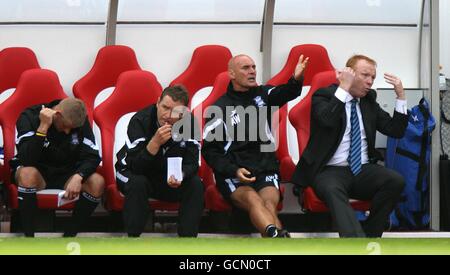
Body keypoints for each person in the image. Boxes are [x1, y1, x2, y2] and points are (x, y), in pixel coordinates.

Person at [291, 55, 409, 238]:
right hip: (328, 169)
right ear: (350, 74)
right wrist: (344, 87)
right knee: (332, 189)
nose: (370, 82)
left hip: (362, 169)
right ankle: (354, 242)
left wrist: (401, 96)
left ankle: (371, 234)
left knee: (395, 181)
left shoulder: (369, 101)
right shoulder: (324, 95)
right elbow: (326, 121)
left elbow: (395, 130)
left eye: (373, 77)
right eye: (365, 75)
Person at [202, 54, 309, 237]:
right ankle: (279, 238)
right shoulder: (219, 109)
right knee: (253, 199)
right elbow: (210, 151)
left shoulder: (263, 94)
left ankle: (275, 239)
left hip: (265, 168)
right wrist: (233, 170)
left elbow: (287, 92)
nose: (252, 71)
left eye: (253, 67)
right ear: (232, 74)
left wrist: (296, 78)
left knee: (268, 203)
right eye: (245, 68)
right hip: (235, 172)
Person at [115, 85, 204, 237]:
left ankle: (188, 240)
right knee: (138, 182)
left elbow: (193, 163)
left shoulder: (190, 124)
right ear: (157, 103)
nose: (167, 115)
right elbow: (135, 166)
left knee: (196, 184)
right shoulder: (140, 121)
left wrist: (181, 174)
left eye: (175, 111)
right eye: (165, 107)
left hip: (168, 178)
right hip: (136, 173)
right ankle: (133, 238)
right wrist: (154, 144)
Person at [11, 98, 105, 237]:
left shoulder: (79, 120)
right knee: (26, 174)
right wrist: (43, 127)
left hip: (67, 172)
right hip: (38, 172)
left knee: (97, 182)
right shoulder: (29, 116)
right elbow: (26, 159)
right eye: (66, 126)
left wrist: (79, 176)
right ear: (57, 113)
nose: (68, 132)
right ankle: (28, 239)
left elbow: (92, 156)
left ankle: (69, 236)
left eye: (72, 129)